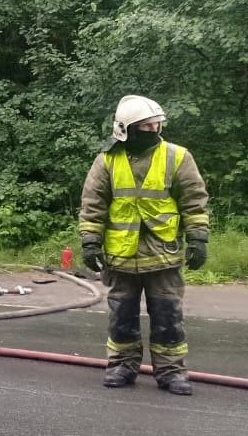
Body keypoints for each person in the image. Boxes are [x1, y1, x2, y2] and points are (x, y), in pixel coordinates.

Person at [78, 95, 210, 396]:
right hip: (120, 257)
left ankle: (171, 371)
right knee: (122, 316)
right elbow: (93, 205)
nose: (154, 129)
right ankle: (121, 366)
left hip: (163, 255)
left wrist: (198, 237)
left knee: (167, 316)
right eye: (147, 125)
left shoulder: (177, 157)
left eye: (157, 124)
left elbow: (194, 201)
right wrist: (90, 241)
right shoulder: (107, 161)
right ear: (126, 129)